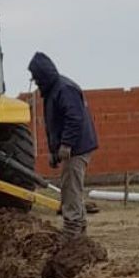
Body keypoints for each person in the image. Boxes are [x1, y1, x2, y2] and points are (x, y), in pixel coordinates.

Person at [28, 52, 98, 239]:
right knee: (71, 187)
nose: (35, 82)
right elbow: (55, 124)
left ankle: (72, 230)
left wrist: (66, 145)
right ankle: (78, 230)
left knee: (71, 189)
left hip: (77, 148)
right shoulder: (54, 91)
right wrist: (53, 151)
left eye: (36, 78)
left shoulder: (64, 89)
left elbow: (74, 118)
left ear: (43, 75)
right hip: (73, 147)